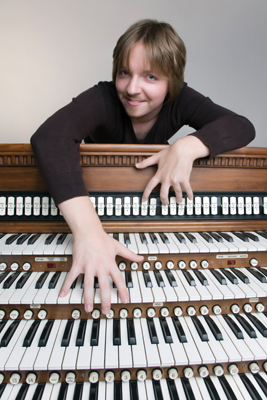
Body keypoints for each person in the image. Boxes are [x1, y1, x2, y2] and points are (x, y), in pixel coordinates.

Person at [31, 19, 255, 315]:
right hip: (93, 202)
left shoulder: (181, 99)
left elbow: (242, 126)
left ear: (172, 82)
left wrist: (187, 145)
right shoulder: (104, 96)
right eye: (125, 73)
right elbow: (49, 137)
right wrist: (88, 232)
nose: (132, 88)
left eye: (150, 77)